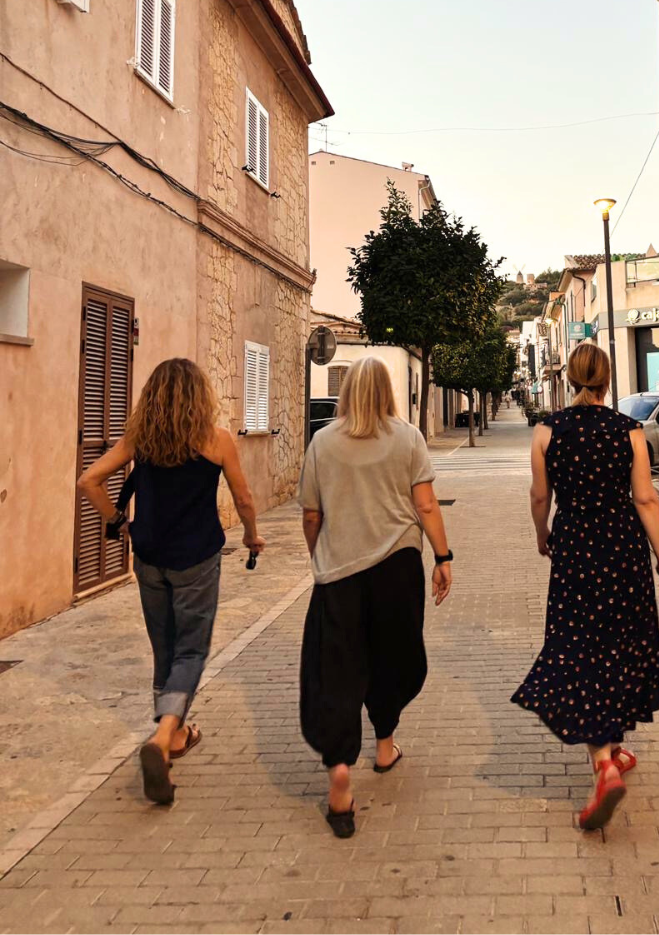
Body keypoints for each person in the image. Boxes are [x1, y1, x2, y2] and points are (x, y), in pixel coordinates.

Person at [78, 358, 264, 805]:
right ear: (200, 396)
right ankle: (162, 738)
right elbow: (243, 497)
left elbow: (90, 480)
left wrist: (117, 522)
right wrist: (253, 537)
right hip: (196, 558)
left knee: (164, 646)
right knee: (191, 650)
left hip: (149, 558)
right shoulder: (215, 440)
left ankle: (177, 734)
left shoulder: (141, 439)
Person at [512, 343, 659, 830]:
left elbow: (540, 495)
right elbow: (645, 499)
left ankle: (604, 760)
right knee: (621, 643)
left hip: (576, 551)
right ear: (606, 382)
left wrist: (542, 533)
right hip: (623, 550)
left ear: (569, 380)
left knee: (580, 646)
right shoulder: (629, 431)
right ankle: (611, 748)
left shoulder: (546, 432)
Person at [298, 355, 452, 839]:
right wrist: (443, 558)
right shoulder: (409, 438)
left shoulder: (322, 443)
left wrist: (319, 554)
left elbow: (310, 514)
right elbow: (425, 504)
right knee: (392, 658)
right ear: (387, 391)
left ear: (346, 394)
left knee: (338, 670)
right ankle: (385, 746)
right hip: (398, 569)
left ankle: (340, 771)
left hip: (339, 574)